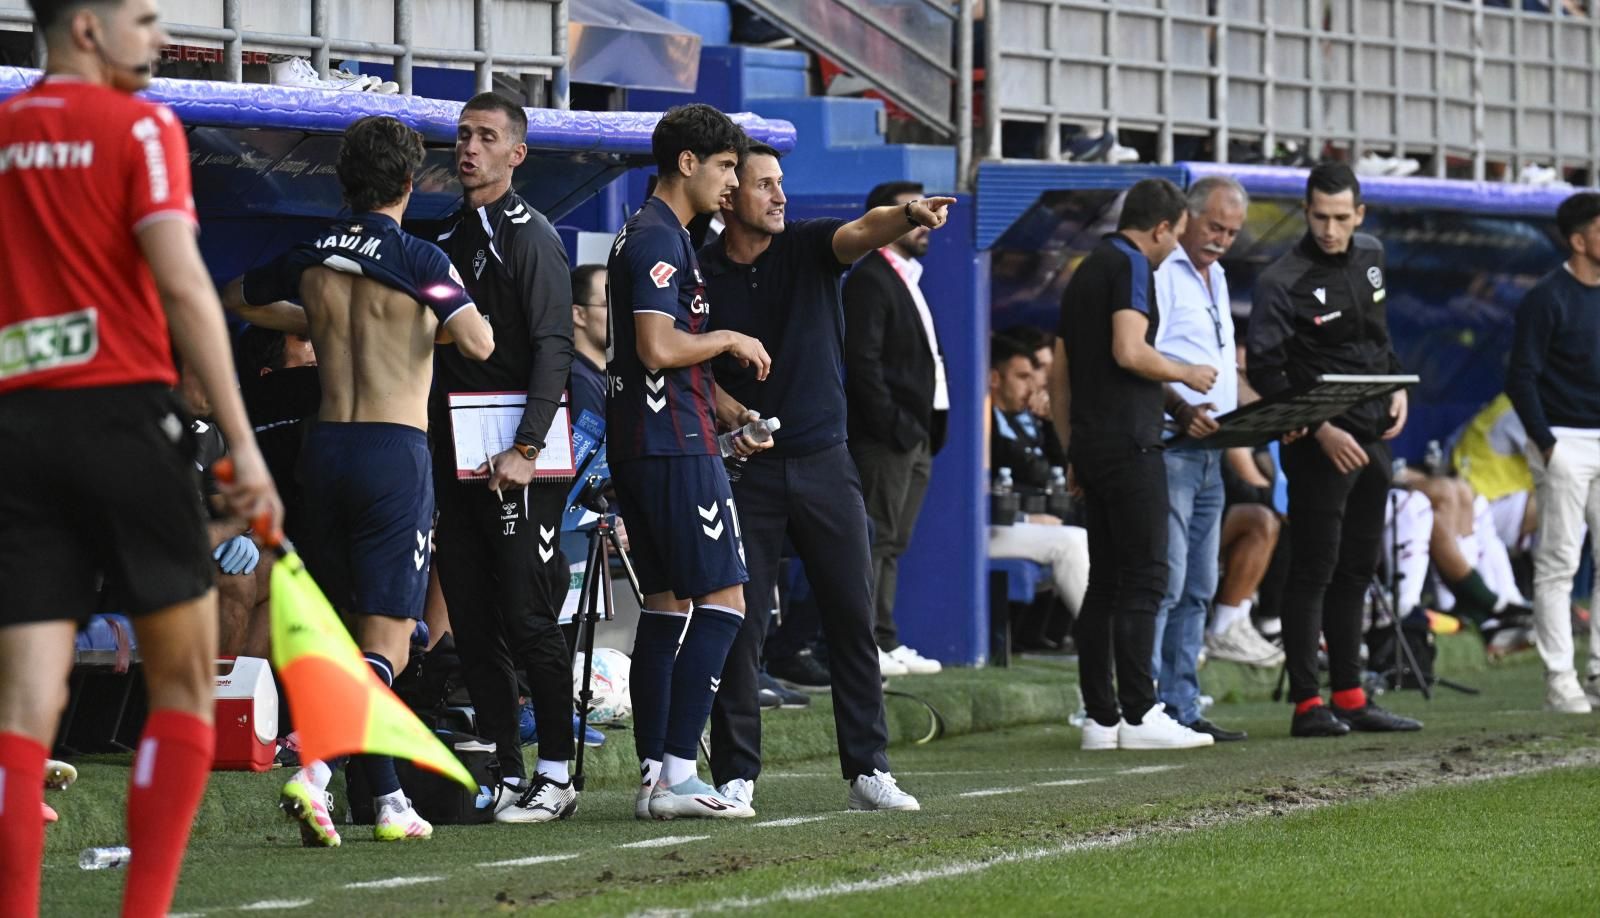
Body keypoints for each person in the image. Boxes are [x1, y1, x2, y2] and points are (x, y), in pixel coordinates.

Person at [0, 1, 281, 913]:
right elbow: (184, 283)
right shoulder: (140, 126)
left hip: (18, 429)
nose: (159, 39)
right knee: (187, 680)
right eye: (146, 17)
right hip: (123, 419)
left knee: (22, 705)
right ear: (87, 25)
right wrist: (241, 442)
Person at [225, 115, 495, 844]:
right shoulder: (418, 255)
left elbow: (238, 298)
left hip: (325, 450)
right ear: (411, 183)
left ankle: (387, 802)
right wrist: (422, 322)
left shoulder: (313, 252)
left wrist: (313, 315)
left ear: (346, 184)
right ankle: (317, 767)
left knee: (345, 638)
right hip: (389, 453)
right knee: (391, 640)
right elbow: (478, 339)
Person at [702, 141, 950, 813]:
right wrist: (724, 405)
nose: (780, 195)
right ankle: (735, 774)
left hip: (824, 462)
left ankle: (869, 768)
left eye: (781, 182)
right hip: (745, 470)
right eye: (764, 185)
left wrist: (907, 214)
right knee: (741, 625)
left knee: (850, 617)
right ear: (728, 198)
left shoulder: (808, 245)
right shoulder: (699, 272)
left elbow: (862, 232)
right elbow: (675, 357)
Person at [608, 104, 771, 820]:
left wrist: (727, 408)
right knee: (726, 600)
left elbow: (670, 356)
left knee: (666, 606)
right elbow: (658, 348)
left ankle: (654, 770)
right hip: (673, 446)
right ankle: (676, 775)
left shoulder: (655, 234)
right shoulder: (655, 239)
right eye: (727, 167)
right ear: (687, 163)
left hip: (653, 442)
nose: (733, 182)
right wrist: (729, 336)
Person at [430, 92, 579, 824]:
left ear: (516, 154)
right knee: (471, 616)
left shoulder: (532, 236)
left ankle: (558, 771)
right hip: (455, 455)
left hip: (521, 453)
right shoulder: (446, 235)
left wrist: (527, 447)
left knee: (528, 614)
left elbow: (556, 344)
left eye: (486, 137)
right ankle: (504, 768)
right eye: (462, 135)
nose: (469, 148)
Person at [1246, 162, 1421, 737]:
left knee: (1358, 567)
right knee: (1314, 568)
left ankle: (1350, 694)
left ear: (1359, 215)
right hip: (1320, 442)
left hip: (1372, 435)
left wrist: (1396, 384)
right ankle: (1305, 703)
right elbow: (1267, 371)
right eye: (1319, 216)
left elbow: (1378, 335)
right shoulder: (1281, 280)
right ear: (1305, 212)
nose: (1329, 228)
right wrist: (1321, 428)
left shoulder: (1371, 254)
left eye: (1341, 217)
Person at [1049, 177, 1216, 752]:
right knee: (1147, 576)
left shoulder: (1084, 268)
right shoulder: (1131, 266)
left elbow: (1061, 375)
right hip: (1131, 444)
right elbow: (1129, 350)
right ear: (1162, 227)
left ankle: (1101, 718)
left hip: (1094, 444)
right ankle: (1143, 713)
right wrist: (1186, 373)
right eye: (1177, 237)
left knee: (1106, 584)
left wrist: (1073, 447)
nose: (1175, 248)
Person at [1149, 176, 1262, 742]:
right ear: (1187, 217)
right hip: (1172, 445)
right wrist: (1177, 406)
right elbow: (1142, 355)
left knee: (1197, 583)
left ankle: (1181, 704)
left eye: (1233, 232)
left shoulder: (1215, 275)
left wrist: (1265, 413)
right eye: (1215, 227)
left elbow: (1217, 362)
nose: (1222, 240)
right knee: (1167, 579)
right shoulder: (1159, 272)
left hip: (1213, 449)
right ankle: (1143, 706)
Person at [844, 180, 950, 677]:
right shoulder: (871, 278)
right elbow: (861, 362)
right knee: (877, 539)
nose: (931, 221)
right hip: (891, 438)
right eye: (918, 212)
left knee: (892, 541)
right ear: (887, 219)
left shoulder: (906, 277)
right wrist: (895, 426)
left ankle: (884, 637)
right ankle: (871, 643)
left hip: (916, 436)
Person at [1506, 190, 1600, 713]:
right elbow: (1521, 379)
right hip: (1563, 440)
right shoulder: (1547, 297)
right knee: (1559, 562)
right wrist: (1549, 444)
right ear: (1578, 239)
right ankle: (1559, 677)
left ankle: (1597, 671)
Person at [987, 333, 1090, 629]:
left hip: (1010, 520)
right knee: (1071, 541)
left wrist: (1048, 422)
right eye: (1021, 377)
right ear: (994, 378)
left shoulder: (1024, 421)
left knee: (1083, 531)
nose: (1031, 388)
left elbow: (1060, 469)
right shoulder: (982, 421)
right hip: (984, 526)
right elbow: (1033, 472)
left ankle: (1097, 636)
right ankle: (1106, 643)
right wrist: (1025, 516)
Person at [570, 263, 609, 423]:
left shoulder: (602, 376)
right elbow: (590, 448)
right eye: (607, 305)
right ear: (578, 315)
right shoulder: (578, 381)